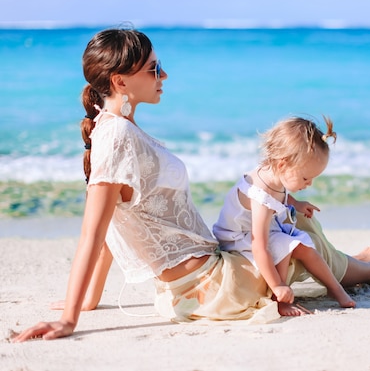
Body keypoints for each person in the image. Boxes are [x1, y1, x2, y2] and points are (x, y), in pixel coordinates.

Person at [12, 28, 280, 343]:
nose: (163, 75)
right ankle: (354, 266)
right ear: (120, 81)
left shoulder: (120, 131)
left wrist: (91, 299)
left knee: (290, 225)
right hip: (212, 286)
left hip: (193, 286)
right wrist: (69, 319)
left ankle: (355, 263)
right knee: (296, 235)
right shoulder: (117, 137)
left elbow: (116, 219)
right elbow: (93, 233)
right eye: (153, 69)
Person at [213, 116, 356, 314]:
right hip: (238, 237)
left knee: (306, 248)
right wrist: (277, 284)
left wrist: (296, 204)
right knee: (285, 245)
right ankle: (280, 299)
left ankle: (334, 288)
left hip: (264, 228)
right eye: (306, 178)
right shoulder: (260, 194)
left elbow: (280, 195)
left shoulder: (275, 174)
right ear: (282, 165)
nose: (309, 184)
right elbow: (259, 246)